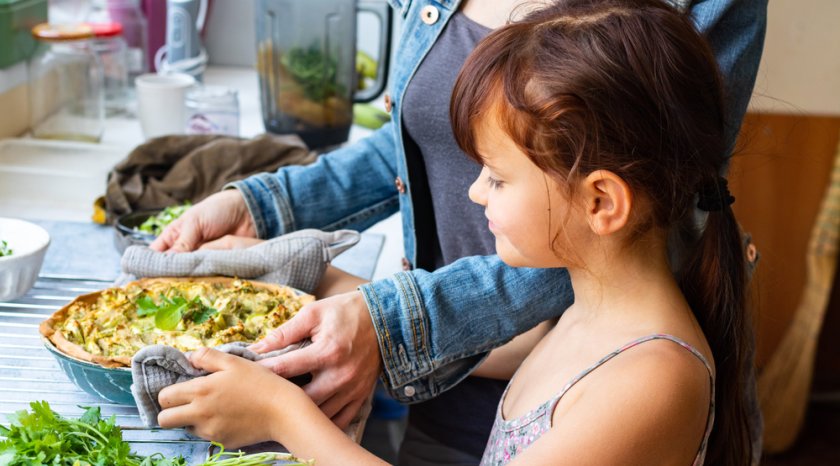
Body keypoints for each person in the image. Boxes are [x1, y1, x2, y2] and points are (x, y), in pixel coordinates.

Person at [151, 0, 767, 463]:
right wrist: (307, 268)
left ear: (602, 199)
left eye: (496, 177)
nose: (474, 192)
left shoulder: (652, 379)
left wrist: (282, 414)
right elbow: (482, 354)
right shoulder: (581, 318)